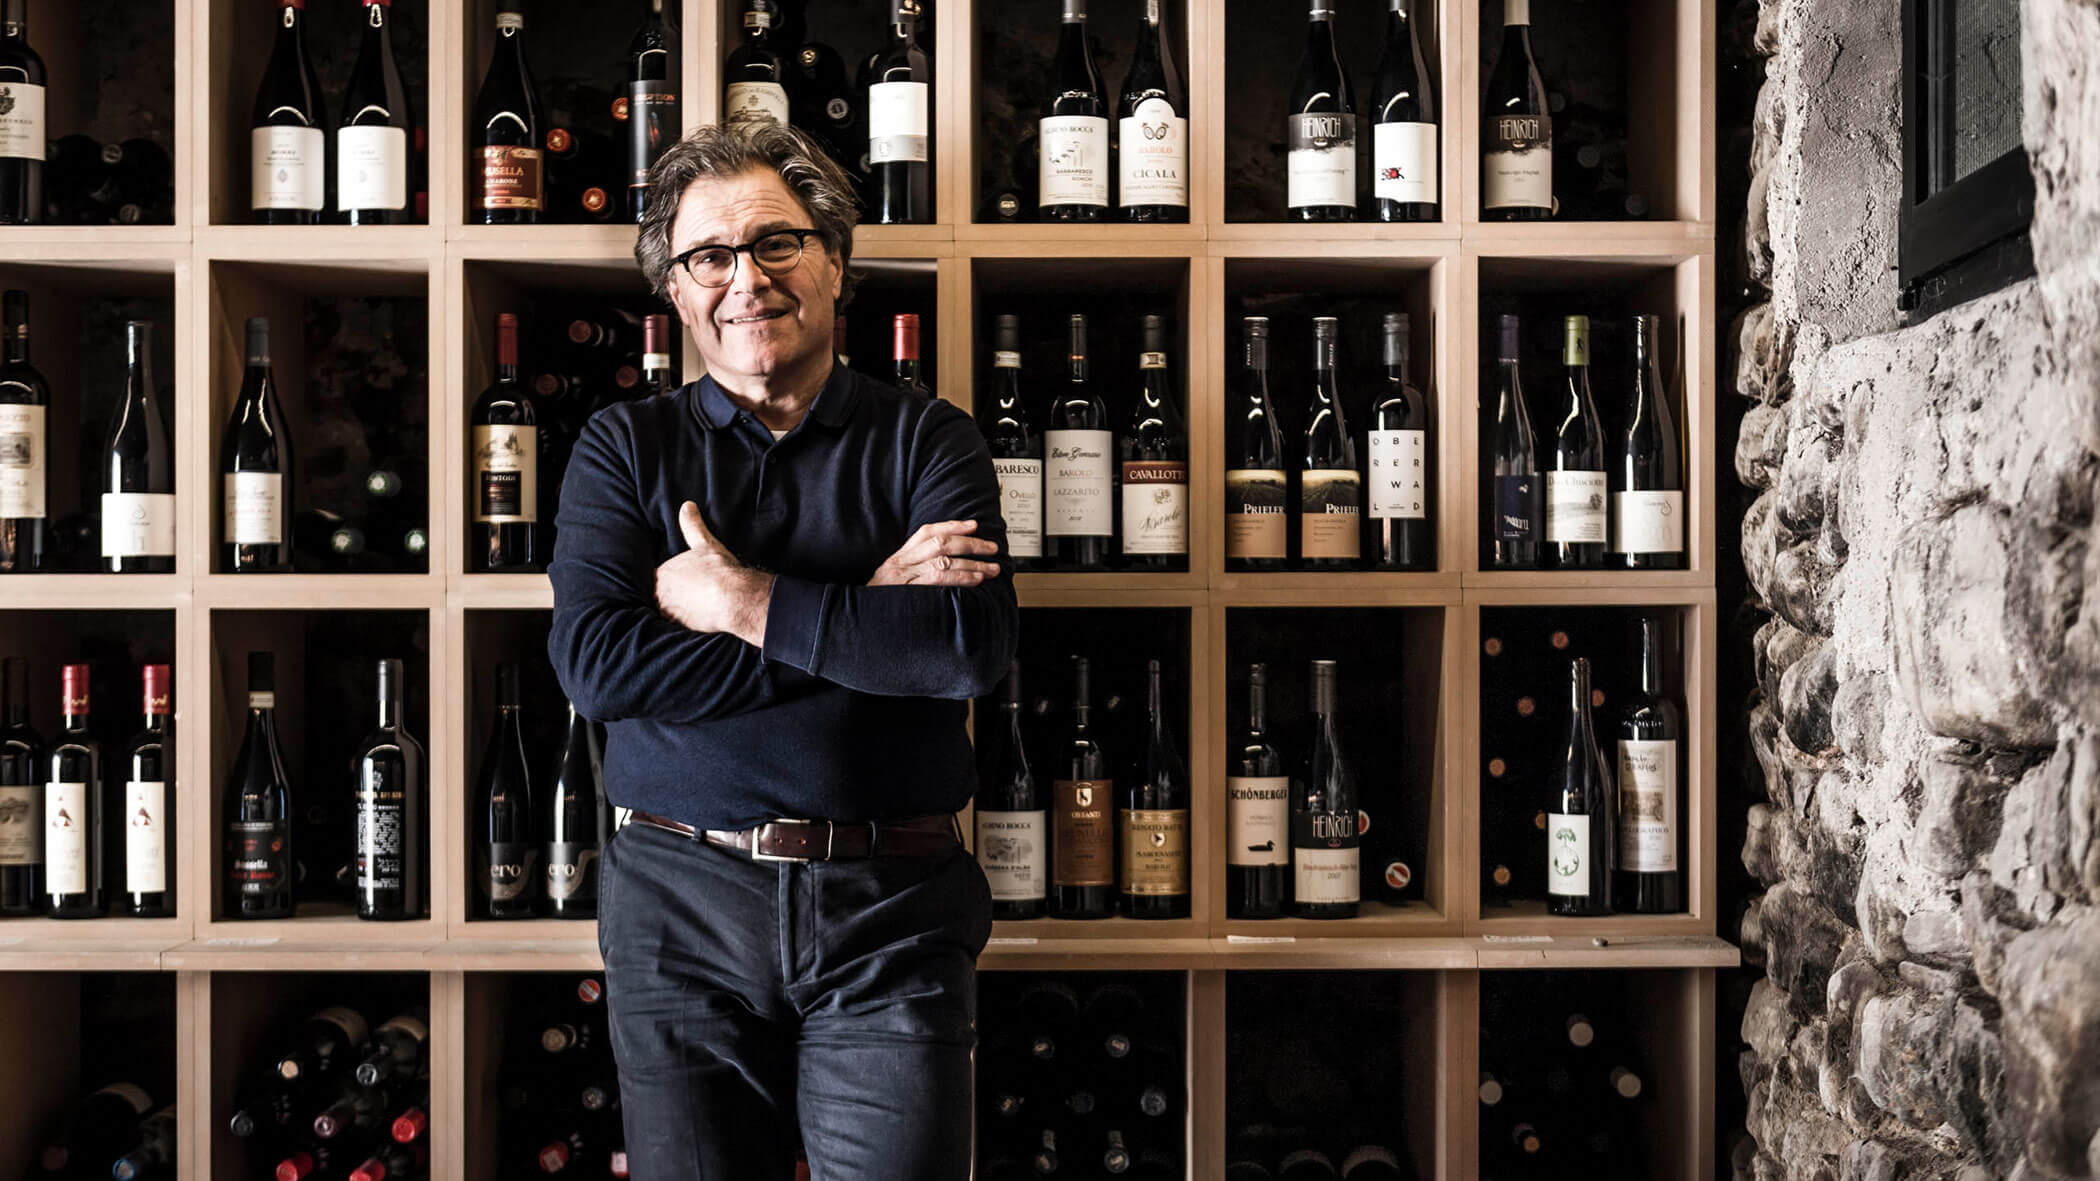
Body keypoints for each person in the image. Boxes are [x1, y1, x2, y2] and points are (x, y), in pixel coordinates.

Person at [547, 121, 1017, 1180]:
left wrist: (739, 600)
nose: (745, 279)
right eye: (708, 255)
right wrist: (861, 608)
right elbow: (600, 668)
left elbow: (961, 646)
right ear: (674, 291)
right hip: (679, 903)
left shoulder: (928, 440)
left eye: (777, 243)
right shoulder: (624, 449)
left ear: (835, 262)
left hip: (889, 911)